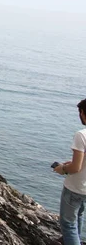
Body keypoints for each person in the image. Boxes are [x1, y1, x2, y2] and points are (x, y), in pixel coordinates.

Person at [54, 98, 86, 244]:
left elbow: (75, 168)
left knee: (68, 224)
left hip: (75, 187)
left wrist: (62, 169)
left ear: (83, 113)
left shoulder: (81, 135)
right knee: (78, 215)